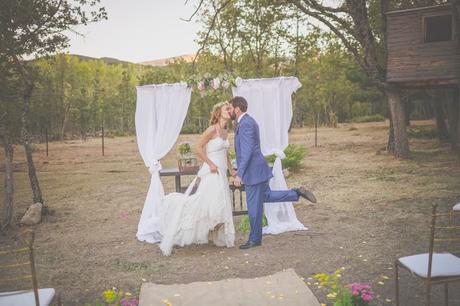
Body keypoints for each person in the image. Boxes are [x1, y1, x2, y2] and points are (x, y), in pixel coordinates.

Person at [229, 96, 317, 250]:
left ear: (237, 108)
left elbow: (248, 150)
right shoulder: (246, 122)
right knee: (266, 196)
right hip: (259, 170)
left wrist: (240, 174)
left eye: (230, 108)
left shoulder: (246, 124)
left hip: (253, 173)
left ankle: (254, 239)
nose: (229, 111)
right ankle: (296, 193)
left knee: (253, 208)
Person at [158, 102, 236, 256]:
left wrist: (232, 170)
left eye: (230, 108)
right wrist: (211, 164)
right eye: (226, 108)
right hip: (212, 172)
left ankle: (214, 235)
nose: (229, 110)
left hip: (222, 172)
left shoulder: (226, 130)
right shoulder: (211, 130)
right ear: (218, 113)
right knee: (205, 205)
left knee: (220, 205)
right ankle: (177, 219)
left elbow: (225, 153)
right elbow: (198, 149)